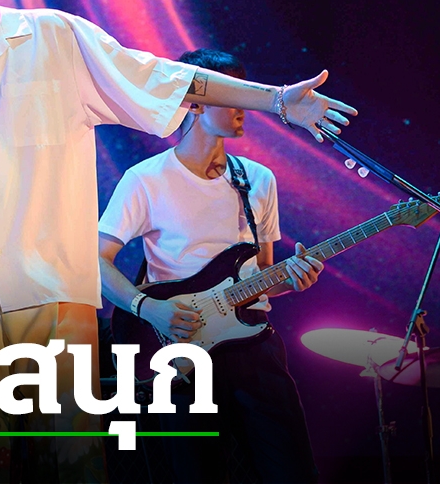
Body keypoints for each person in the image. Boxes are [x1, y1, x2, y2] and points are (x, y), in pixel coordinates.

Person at [0, 0, 355, 483]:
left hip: (55, 287)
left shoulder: (56, 37)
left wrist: (277, 99)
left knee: (73, 463)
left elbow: (166, 78)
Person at [99, 48, 322, 483]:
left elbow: (262, 275)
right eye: (231, 95)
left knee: (292, 472)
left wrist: (292, 279)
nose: (243, 107)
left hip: (255, 347)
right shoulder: (145, 180)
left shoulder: (258, 179)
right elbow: (96, 260)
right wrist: (148, 308)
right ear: (194, 103)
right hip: (180, 349)